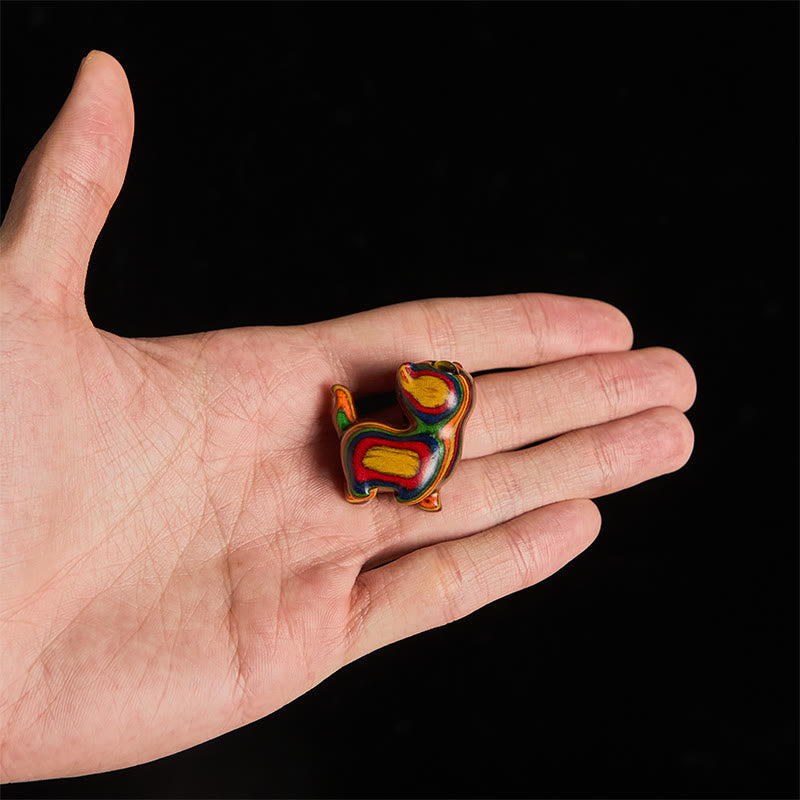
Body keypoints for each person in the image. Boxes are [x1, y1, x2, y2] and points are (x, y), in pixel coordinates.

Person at [0, 51, 696, 782]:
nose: (416, 384)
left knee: (402, 465)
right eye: (421, 386)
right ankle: (371, 479)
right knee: (374, 456)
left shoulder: (433, 430)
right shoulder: (399, 428)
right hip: (378, 462)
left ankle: (386, 480)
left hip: (402, 466)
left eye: (427, 389)